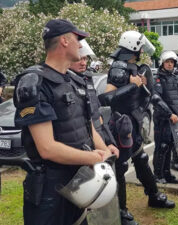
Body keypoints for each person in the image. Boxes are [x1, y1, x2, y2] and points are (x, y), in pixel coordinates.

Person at [13, 19, 117, 225]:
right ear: (64, 41)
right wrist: (92, 158)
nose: (80, 44)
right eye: (77, 39)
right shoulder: (35, 83)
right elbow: (47, 149)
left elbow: (88, 127)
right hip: (49, 191)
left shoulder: (75, 80)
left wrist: (104, 153)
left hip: (80, 181)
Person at [99, 30, 175, 225]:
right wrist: (133, 86)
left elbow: (147, 94)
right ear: (134, 47)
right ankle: (121, 211)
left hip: (133, 122)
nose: (143, 50)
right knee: (120, 167)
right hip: (120, 124)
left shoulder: (134, 67)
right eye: (140, 46)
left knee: (141, 158)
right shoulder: (119, 67)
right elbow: (106, 99)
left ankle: (154, 196)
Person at [152, 50, 178, 184]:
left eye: (172, 62)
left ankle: (167, 174)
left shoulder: (172, 77)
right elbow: (157, 99)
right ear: (162, 63)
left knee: (170, 146)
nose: (170, 64)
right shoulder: (157, 78)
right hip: (162, 118)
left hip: (174, 119)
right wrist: (169, 114)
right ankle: (158, 175)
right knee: (161, 146)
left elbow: (176, 98)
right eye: (168, 62)